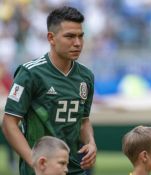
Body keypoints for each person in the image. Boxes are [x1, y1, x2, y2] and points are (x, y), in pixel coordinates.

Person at [1, 6, 97, 175]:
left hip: (74, 169)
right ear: (51, 38)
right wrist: (34, 161)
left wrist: (91, 141)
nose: (77, 43)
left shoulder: (86, 76)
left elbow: (83, 120)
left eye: (80, 36)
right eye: (69, 36)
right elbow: (9, 123)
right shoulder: (30, 73)